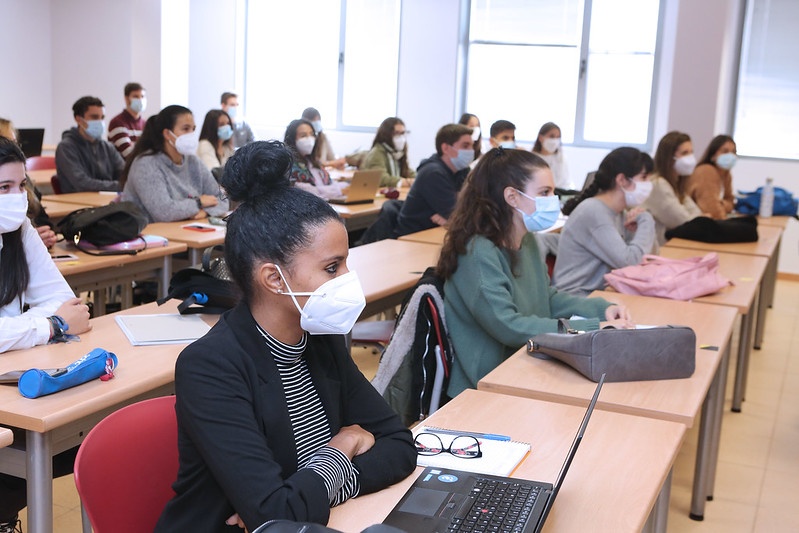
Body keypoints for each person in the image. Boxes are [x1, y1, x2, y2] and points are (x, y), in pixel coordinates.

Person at [155, 140, 416, 531]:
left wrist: (310, 493)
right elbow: (274, 516)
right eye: (332, 268)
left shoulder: (318, 338)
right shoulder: (210, 367)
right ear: (274, 278)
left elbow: (398, 445)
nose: (348, 279)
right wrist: (342, 449)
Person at [437, 147, 633, 396]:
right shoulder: (477, 252)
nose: (554, 200)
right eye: (544, 193)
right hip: (488, 381)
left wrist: (602, 309)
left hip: (528, 360)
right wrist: (591, 327)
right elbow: (509, 326)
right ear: (512, 197)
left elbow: (546, 297)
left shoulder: (526, 241)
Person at [0, 137, 92, 532]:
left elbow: (65, 302)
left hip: (12, 376)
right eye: (4, 188)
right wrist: (49, 325)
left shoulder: (18, 228)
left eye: (21, 186)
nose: (17, 198)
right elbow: (60, 317)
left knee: (80, 438)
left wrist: (30, 325)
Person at [552, 147, 656, 296]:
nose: (649, 185)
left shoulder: (619, 212)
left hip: (600, 294)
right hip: (576, 300)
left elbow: (648, 258)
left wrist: (641, 225)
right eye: (644, 178)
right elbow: (632, 262)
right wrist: (646, 219)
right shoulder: (594, 212)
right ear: (621, 180)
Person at [120, 105, 229, 223]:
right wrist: (199, 202)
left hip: (186, 230)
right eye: (186, 129)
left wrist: (206, 212)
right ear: (167, 134)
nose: (191, 134)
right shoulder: (146, 164)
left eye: (193, 129)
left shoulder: (194, 162)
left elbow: (223, 199)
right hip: (150, 235)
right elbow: (163, 212)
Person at [395, 123, 474, 237]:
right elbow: (457, 216)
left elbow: (473, 207)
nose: (471, 151)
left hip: (436, 232)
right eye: (465, 146)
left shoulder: (462, 171)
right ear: (446, 148)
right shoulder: (433, 173)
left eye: (472, 146)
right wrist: (451, 220)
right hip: (414, 237)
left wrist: (450, 220)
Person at [0, 118, 57, 248]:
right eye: (5, 187)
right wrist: (28, 240)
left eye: (15, 144)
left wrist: (46, 234)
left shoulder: (24, 179)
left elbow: (43, 220)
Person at [641, 131, 704, 244]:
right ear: (669, 157)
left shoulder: (676, 183)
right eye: (684, 153)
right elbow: (683, 222)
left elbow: (697, 214)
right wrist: (697, 219)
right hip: (659, 248)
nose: (690, 158)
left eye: (691, 152)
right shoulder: (658, 184)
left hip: (672, 244)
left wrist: (697, 219)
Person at [55, 96, 125, 192]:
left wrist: (126, 184)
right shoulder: (66, 148)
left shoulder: (108, 147)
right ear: (79, 119)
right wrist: (120, 186)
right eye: (95, 117)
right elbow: (82, 183)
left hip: (107, 200)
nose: (100, 122)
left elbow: (126, 174)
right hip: (78, 202)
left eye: (102, 117)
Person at [283, 119, 346, 200]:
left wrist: (345, 187)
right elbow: (308, 192)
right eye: (303, 135)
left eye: (312, 134)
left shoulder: (314, 162)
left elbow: (330, 183)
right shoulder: (290, 167)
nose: (309, 139)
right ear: (292, 140)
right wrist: (339, 190)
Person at [685, 134, 737, 219]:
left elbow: (731, 202)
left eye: (733, 152)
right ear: (712, 155)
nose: (730, 155)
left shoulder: (726, 174)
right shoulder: (706, 171)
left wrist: (721, 204)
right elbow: (712, 210)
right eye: (725, 151)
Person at [361, 117, 415, 187]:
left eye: (402, 133)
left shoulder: (397, 153)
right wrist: (403, 182)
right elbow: (381, 178)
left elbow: (407, 171)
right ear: (386, 135)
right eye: (396, 133)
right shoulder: (377, 153)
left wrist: (419, 178)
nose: (401, 137)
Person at [108, 82, 147, 159]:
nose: (140, 100)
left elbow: (152, 151)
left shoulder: (145, 124)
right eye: (136, 96)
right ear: (126, 99)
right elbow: (129, 154)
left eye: (142, 96)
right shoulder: (118, 122)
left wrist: (135, 145)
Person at [532, 122, 573, 190]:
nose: (555, 140)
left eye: (558, 137)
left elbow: (567, 181)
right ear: (540, 138)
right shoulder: (532, 158)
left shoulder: (561, 158)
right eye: (552, 136)